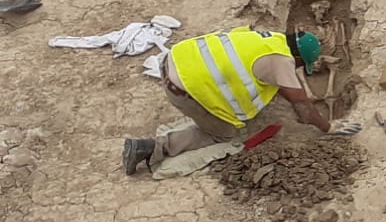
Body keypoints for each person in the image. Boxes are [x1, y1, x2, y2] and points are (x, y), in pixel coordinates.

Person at [121, 27, 358, 176]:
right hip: (183, 87)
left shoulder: (265, 37)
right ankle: (151, 148)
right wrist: (329, 127)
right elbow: (305, 109)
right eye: (299, 65)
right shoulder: (280, 61)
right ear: (296, 57)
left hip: (175, 59)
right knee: (222, 134)